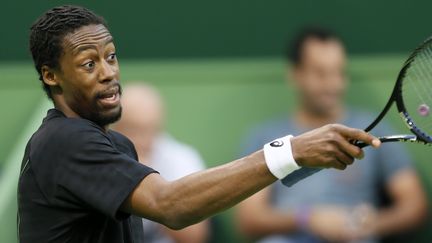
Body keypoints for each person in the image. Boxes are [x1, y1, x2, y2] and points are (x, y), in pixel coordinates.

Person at [17, 6, 381, 243]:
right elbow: (170, 205)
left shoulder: (116, 145)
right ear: (51, 76)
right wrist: (293, 151)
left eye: (110, 56)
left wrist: (296, 157)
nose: (109, 72)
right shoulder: (64, 140)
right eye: (88, 64)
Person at [237, 27, 428, 243]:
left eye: (338, 72)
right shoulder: (265, 136)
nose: (333, 84)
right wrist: (307, 219)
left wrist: (372, 223)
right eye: (321, 73)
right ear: (295, 75)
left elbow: (414, 206)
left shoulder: (374, 130)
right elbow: (249, 219)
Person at [112, 83, 209, 243]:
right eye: (132, 129)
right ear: (115, 127)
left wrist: (152, 187)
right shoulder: (100, 157)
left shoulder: (182, 157)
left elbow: (195, 237)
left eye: (150, 129)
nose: (142, 140)